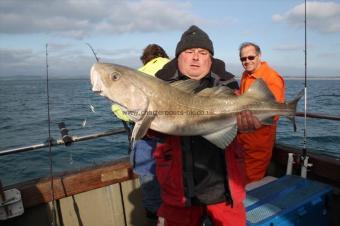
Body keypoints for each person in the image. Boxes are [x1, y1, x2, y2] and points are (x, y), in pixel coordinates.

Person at [153, 25, 260, 226]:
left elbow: (245, 121)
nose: (196, 57)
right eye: (189, 52)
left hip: (226, 189)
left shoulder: (228, 86)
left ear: (210, 59)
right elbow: (148, 133)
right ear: (178, 58)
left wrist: (247, 125)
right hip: (179, 193)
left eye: (202, 53)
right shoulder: (159, 86)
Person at [111, 44, 170, 222]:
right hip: (173, 140)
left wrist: (128, 114)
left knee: (150, 181)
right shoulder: (175, 68)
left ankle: (156, 217)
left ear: (145, 59)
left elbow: (119, 108)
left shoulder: (136, 74)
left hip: (147, 141)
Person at [237, 42, 285, 183]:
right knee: (238, 179)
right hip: (241, 139)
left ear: (259, 56)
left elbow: (273, 112)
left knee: (251, 181)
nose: (247, 61)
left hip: (258, 143)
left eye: (251, 57)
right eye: (243, 59)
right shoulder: (246, 75)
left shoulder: (271, 78)